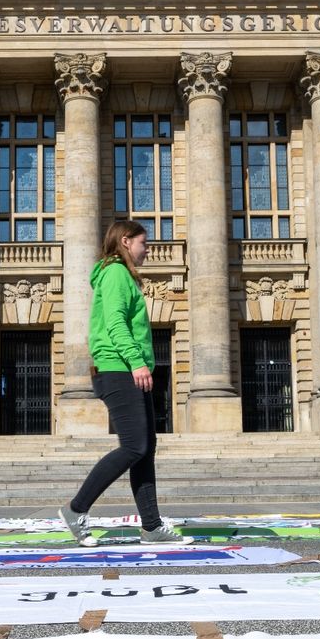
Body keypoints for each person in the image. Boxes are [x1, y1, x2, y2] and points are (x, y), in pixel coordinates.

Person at [59, 219, 185, 546]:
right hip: (118, 369)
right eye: (145, 244)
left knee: (145, 451)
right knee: (134, 447)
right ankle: (76, 509)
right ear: (127, 241)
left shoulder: (122, 276)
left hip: (125, 369)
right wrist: (137, 362)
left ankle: (152, 526)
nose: (148, 251)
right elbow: (115, 323)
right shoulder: (115, 273)